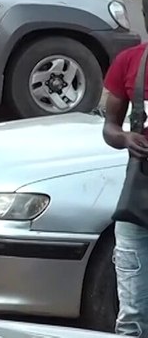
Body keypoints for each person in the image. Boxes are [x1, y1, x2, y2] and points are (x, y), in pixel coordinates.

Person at [102, 23, 148, 336]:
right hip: (136, 204)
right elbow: (110, 127)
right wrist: (125, 138)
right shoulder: (130, 61)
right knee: (132, 317)